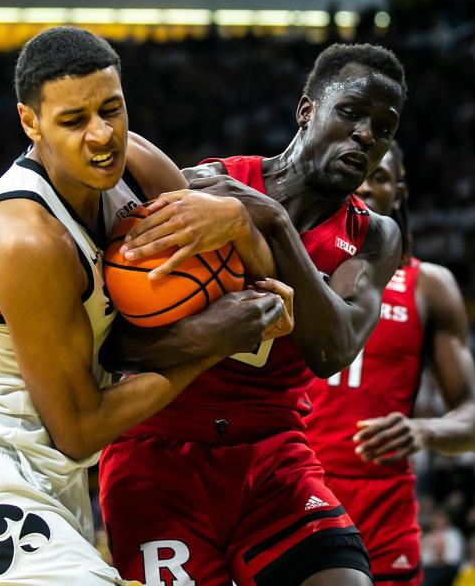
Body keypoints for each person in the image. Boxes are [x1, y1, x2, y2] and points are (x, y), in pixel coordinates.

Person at [0, 26, 293, 586]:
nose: (101, 136)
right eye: (72, 121)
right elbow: (79, 428)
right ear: (30, 122)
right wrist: (217, 341)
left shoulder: (136, 167)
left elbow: (250, 281)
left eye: (111, 110)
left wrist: (239, 224)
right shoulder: (27, 241)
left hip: (63, 484)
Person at [98, 43, 406, 586]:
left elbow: (331, 349)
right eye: (351, 113)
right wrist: (206, 338)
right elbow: (112, 345)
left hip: (272, 454)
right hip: (159, 449)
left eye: (383, 127)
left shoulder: (374, 237)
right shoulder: (204, 184)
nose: (366, 135)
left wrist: (269, 223)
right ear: (307, 111)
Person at [304, 142, 475, 585]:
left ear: (398, 191)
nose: (365, 185)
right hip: (298, 488)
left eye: (380, 176)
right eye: (357, 173)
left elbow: (473, 418)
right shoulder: (299, 265)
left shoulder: (431, 286)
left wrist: (424, 430)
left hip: (382, 505)